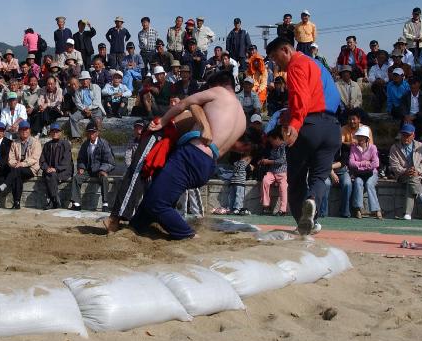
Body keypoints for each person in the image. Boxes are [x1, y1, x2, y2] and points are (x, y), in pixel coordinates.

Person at [127, 71, 249, 239]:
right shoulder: (242, 118)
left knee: (158, 203)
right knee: (158, 196)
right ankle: (136, 226)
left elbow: (185, 103)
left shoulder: (219, 92)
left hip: (192, 155)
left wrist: (162, 121)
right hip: (208, 165)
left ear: (217, 85)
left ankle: (187, 234)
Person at [266, 37, 343, 234]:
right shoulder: (318, 64)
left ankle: (303, 221)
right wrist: (290, 113)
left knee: (297, 179)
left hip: (309, 125)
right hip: (333, 127)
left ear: (286, 50)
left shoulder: (296, 64)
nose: (276, 63)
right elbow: (324, 95)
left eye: (276, 57)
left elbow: (302, 97)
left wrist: (295, 123)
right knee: (319, 176)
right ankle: (312, 205)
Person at [388, 123, 422, 220]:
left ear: (413, 135)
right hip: (402, 175)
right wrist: (405, 171)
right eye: (403, 135)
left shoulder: (420, 146)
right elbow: (394, 165)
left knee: (411, 182)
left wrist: (418, 170)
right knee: (412, 179)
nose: (405, 138)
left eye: (408, 135)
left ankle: (407, 213)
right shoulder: (394, 147)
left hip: (417, 174)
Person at [71, 121, 115, 211]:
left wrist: (103, 169)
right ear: (87, 133)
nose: (91, 134)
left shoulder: (104, 144)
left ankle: (105, 203)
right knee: (76, 178)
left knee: (104, 179)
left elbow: (110, 161)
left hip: (100, 170)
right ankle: (76, 203)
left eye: (93, 132)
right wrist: (81, 167)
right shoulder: (85, 144)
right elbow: (81, 159)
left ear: (97, 133)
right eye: (89, 132)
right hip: (88, 170)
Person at [5, 120, 41, 209]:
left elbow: (34, 158)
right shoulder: (15, 142)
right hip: (17, 168)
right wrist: (16, 164)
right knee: (17, 177)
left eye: (26, 129)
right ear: (19, 131)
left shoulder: (35, 142)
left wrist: (22, 164)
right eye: (22, 130)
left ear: (29, 130)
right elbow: (11, 158)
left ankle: (5, 184)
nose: (24, 131)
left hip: (31, 168)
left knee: (16, 171)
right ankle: (16, 202)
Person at [349, 126, 381, 219]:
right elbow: (351, 163)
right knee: (358, 182)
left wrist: (360, 165)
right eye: (359, 136)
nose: (360, 138)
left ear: (367, 138)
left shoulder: (373, 148)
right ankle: (358, 209)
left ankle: (376, 209)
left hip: (371, 173)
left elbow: (376, 163)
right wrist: (365, 163)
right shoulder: (353, 148)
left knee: (369, 184)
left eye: (362, 136)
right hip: (359, 174)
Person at [38, 122, 72, 210]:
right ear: (50, 133)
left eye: (57, 131)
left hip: (63, 171)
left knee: (51, 176)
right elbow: (42, 160)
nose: (55, 133)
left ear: (60, 133)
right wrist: (47, 168)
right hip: (50, 171)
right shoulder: (47, 145)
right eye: (53, 131)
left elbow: (66, 161)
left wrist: (55, 169)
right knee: (50, 175)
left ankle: (52, 200)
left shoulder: (65, 144)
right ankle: (55, 200)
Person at [259, 128, 288, 215]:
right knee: (265, 181)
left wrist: (268, 161)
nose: (271, 143)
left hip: (283, 172)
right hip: (272, 171)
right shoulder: (273, 148)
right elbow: (272, 158)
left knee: (283, 187)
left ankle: (283, 209)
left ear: (277, 139)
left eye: (272, 141)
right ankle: (266, 205)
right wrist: (264, 160)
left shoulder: (284, 147)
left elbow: (282, 160)